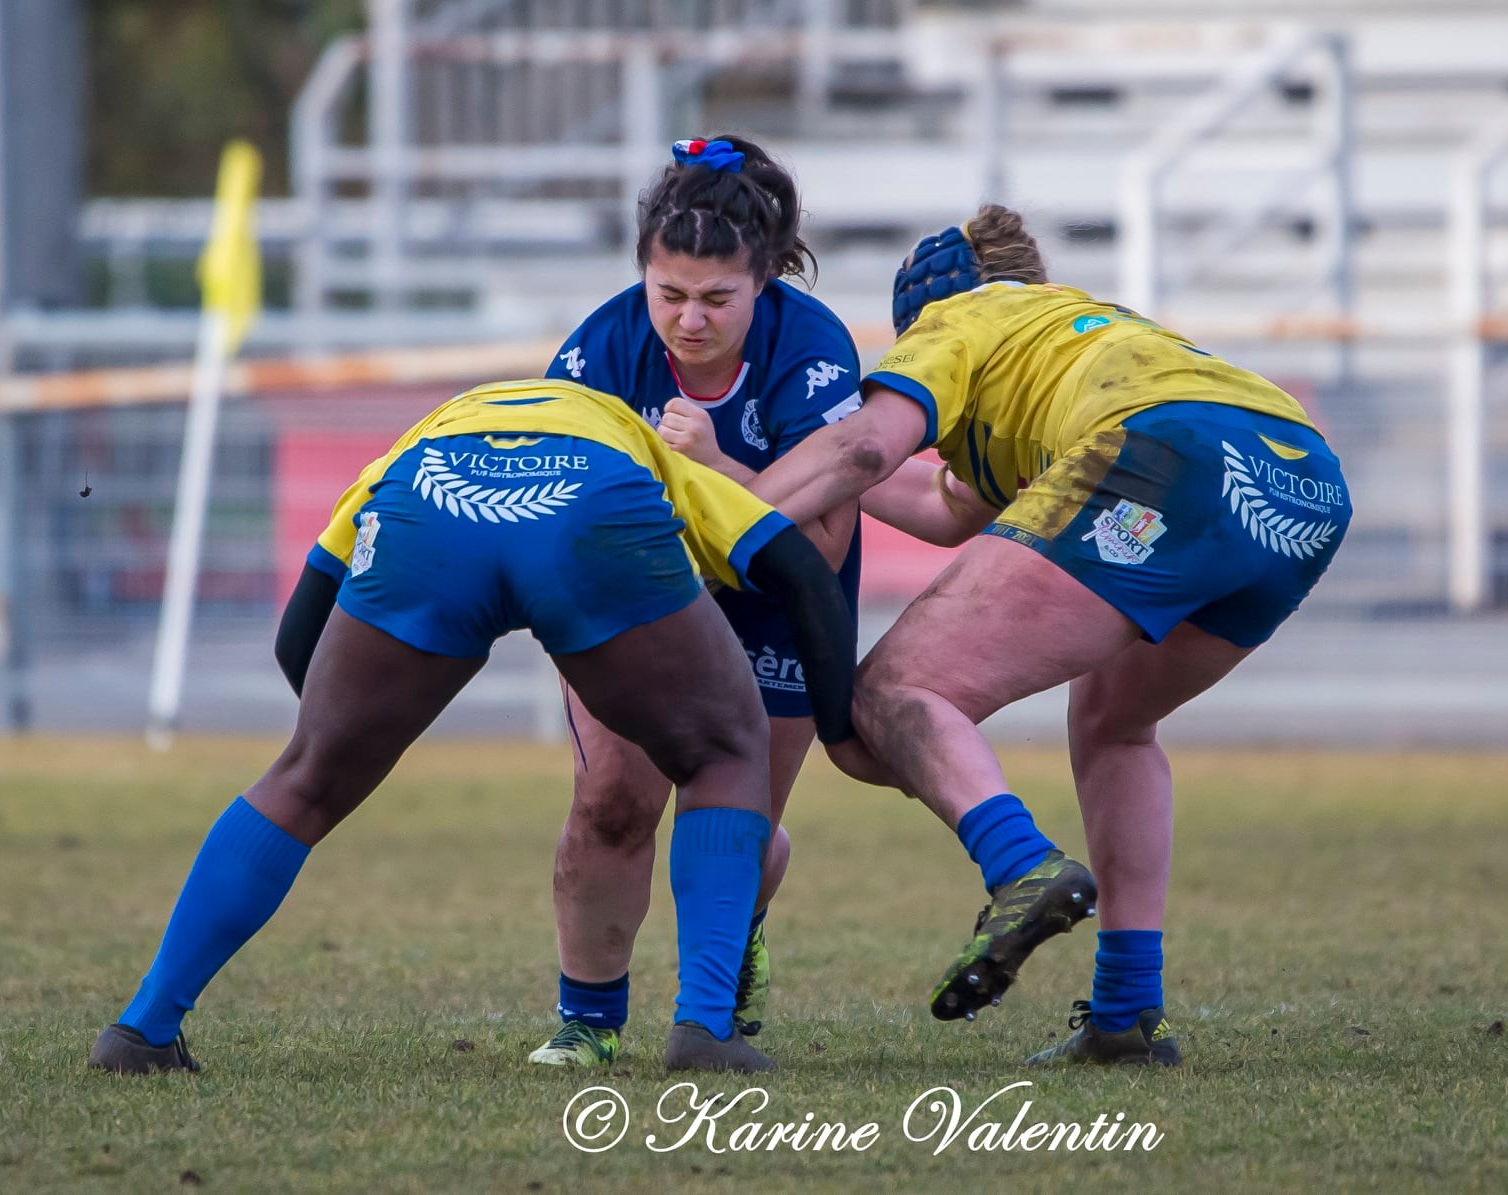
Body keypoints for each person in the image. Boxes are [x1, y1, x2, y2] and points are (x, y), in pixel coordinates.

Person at [89, 378, 857, 1077]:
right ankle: (704, 1029)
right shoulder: (637, 439)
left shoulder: (407, 448)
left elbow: (299, 636)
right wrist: (837, 726)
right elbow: (799, 572)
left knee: (304, 775)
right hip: (592, 504)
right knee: (723, 750)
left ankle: (143, 1027)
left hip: (429, 507)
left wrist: (347, 741)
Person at [756, 205, 1353, 1067]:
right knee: (1114, 724)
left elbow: (863, 453)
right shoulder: (1075, 332)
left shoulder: (957, 317)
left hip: (1166, 452)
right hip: (1301, 482)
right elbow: (940, 504)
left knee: (892, 693)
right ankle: (1124, 1012)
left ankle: (1020, 866)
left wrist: (735, 512)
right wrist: (767, 462)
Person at [526, 136, 864, 1066]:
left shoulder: (814, 353)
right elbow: (551, 511)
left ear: (763, 281)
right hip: (640, 600)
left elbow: (824, 544)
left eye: (718, 299)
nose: (688, 321)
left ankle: (717, 989)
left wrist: (714, 470)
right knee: (612, 803)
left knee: (734, 824)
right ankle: (586, 1024)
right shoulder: (599, 349)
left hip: (777, 604)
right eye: (667, 294)